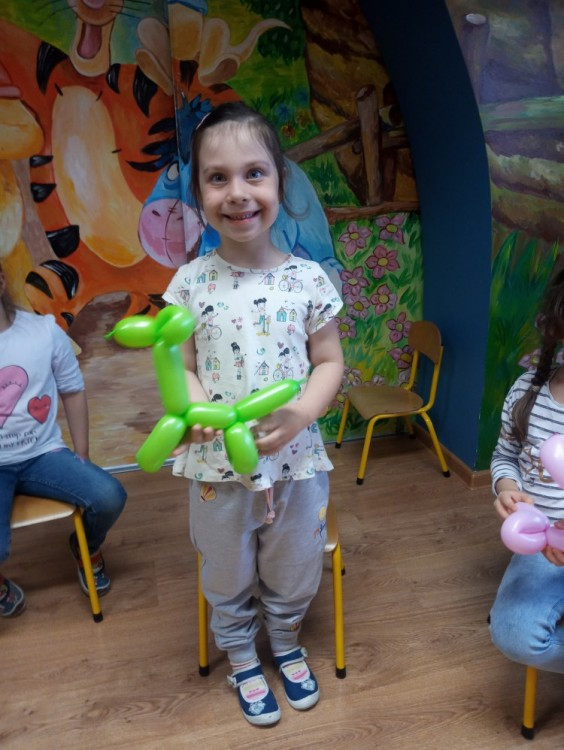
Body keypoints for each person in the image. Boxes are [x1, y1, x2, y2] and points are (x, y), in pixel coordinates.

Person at [163, 101, 344, 726]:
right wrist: (194, 406)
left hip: (296, 463)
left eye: (254, 173)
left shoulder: (309, 281)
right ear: (198, 194)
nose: (237, 193)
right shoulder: (188, 283)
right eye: (218, 178)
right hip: (218, 468)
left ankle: (286, 641)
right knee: (226, 568)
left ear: (280, 183)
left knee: (294, 564)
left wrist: (300, 415)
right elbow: (181, 364)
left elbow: (329, 362)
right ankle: (241, 654)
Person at [0, 264, 127, 617]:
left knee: (109, 496)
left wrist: (81, 454)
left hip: (43, 455)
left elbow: (72, 390)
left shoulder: (43, 332)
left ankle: (86, 547)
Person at [490, 268, 564, 672]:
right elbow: (505, 455)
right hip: (543, 548)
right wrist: (506, 487)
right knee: (515, 633)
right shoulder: (528, 393)